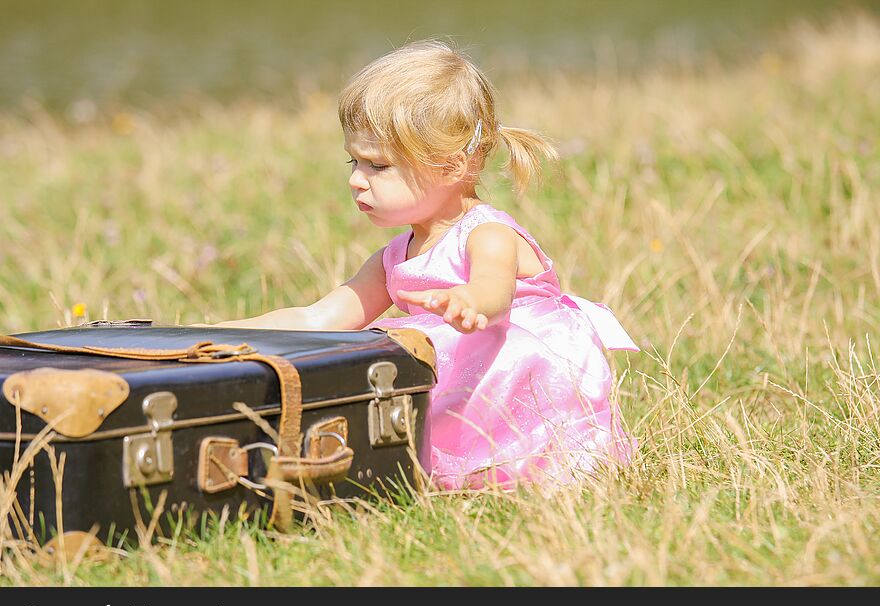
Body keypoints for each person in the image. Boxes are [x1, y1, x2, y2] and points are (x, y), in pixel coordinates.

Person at [214, 39, 640, 490]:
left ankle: (527, 466)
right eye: (353, 160)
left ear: (453, 165)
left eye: (378, 166)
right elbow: (319, 318)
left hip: (526, 387)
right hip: (467, 384)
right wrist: (222, 334)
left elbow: (494, 296)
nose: (356, 180)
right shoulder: (393, 258)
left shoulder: (487, 233)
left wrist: (468, 300)